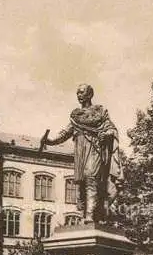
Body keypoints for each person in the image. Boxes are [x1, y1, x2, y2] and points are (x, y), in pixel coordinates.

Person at [43, 84, 123, 223]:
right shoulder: (76, 116)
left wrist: (106, 135)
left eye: (82, 92)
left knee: (91, 178)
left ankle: (90, 216)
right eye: (77, 93)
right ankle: (86, 215)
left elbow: (111, 129)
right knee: (81, 184)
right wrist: (50, 141)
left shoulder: (100, 112)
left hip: (94, 148)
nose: (79, 95)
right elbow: (65, 133)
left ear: (90, 94)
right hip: (80, 152)